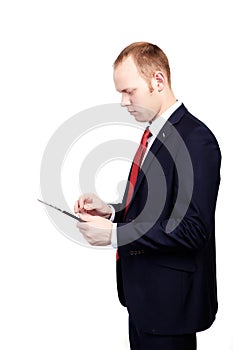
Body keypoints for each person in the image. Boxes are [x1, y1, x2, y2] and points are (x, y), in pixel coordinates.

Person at [74, 42, 221, 350]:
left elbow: (193, 229)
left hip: (171, 306)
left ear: (158, 81)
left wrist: (116, 234)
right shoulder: (156, 134)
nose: (124, 102)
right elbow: (154, 210)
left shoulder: (196, 140)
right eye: (120, 93)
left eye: (129, 91)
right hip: (144, 301)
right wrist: (112, 212)